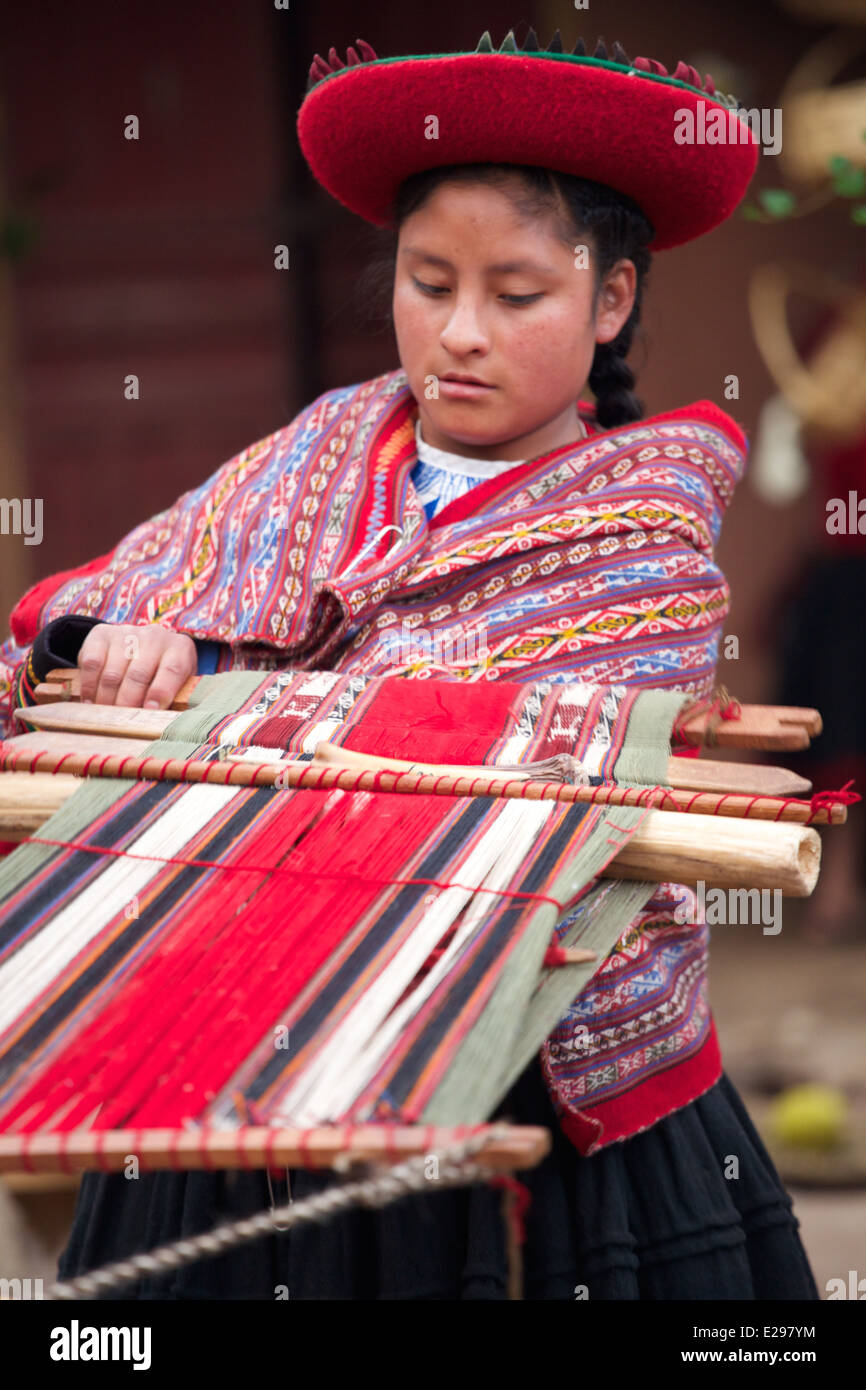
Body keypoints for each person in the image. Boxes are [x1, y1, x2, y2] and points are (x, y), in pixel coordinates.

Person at [0, 30, 818, 1299]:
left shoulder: (645, 529)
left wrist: (252, 700)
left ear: (609, 301)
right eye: (427, 283)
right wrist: (127, 643)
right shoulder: (324, 447)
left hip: (533, 1085)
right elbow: (115, 600)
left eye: (517, 293)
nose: (460, 334)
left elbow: (518, 735)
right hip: (248, 1048)